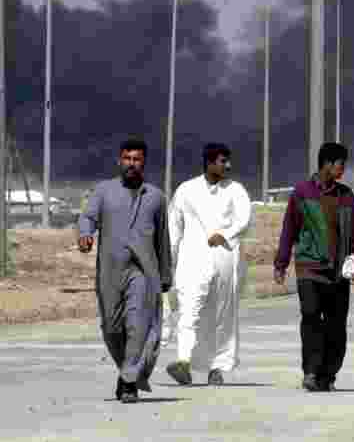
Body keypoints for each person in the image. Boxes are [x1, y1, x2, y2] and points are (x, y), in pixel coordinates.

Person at [78, 138, 172, 403]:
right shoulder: (103, 191)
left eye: (137, 159)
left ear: (144, 162)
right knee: (111, 326)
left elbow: (162, 239)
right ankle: (126, 371)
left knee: (138, 325)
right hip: (110, 270)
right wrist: (85, 234)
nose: (132, 164)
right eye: (127, 159)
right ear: (119, 160)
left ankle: (130, 380)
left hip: (143, 271)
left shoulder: (155, 197)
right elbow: (88, 217)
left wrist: (165, 275)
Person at [273, 142, 354, 392]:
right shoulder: (302, 193)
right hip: (309, 267)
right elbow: (289, 230)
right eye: (340, 164)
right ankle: (311, 371)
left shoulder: (346, 196)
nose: (343, 169)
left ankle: (327, 375)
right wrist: (281, 263)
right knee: (310, 317)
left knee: (336, 325)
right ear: (327, 164)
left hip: (339, 272)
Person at [165, 143, 251, 387]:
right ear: (209, 162)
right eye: (223, 161)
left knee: (221, 315)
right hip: (192, 259)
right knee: (188, 310)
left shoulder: (236, 190)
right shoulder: (186, 190)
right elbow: (174, 227)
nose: (228, 166)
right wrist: (168, 261)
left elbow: (244, 220)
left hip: (225, 258)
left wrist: (226, 234)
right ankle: (183, 361)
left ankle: (218, 367)